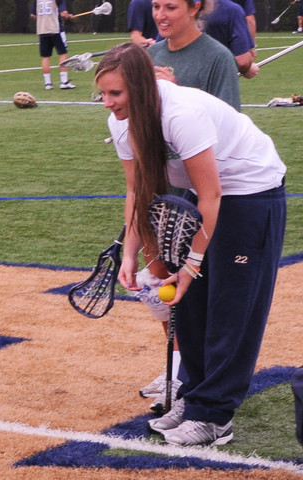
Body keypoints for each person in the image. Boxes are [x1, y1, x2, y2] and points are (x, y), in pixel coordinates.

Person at [97, 43, 286, 446]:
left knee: (230, 306)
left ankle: (215, 416)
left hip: (251, 191)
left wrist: (191, 263)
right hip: (210, 196)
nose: (107, 103)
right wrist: (130, 252)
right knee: (191, 305)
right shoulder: (122, 121)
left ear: (142, 88)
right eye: (103, 93)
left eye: (115, 93)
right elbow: (139, 190)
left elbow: (211, 193)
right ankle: (194, 395)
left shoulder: (182, 113)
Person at [149, 0, 241, 110]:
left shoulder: (219, 58)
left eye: (171, 7)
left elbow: (228, 121)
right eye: (156, 6)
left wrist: (175, 93)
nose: (160, 16)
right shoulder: (151, 53)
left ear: (194, 9)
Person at [199, 0, 258, 79]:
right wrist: (247, 66)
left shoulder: (183, 7)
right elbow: (242, 62)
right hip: (215, 81)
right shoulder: (232, 10)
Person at [31, 0, 75, 90]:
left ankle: (48, 84)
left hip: (42, 30)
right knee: (63, 53)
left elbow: (33, 14)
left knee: (45, 57)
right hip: (55, 30)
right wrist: (69, 17)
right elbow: (63, 14)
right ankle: (64, 82)